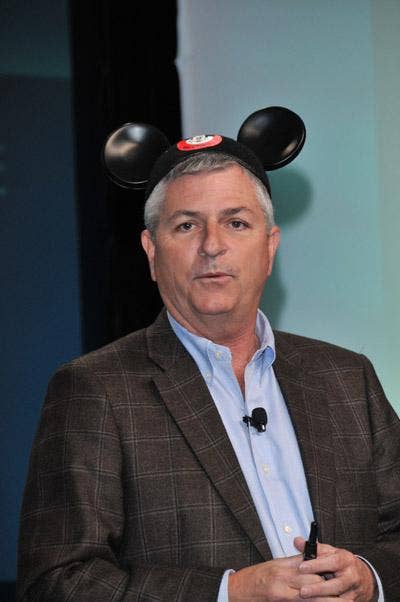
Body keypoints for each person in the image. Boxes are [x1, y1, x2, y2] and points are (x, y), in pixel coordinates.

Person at [18, 135, 400, 601]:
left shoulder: (346, 378)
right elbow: (56, 582)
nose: (212, 246)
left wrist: (369, 578)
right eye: (186, 226)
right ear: (151, 252)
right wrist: (229, 592)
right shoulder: (95, 389)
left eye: (236, 223)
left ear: (270, 247)